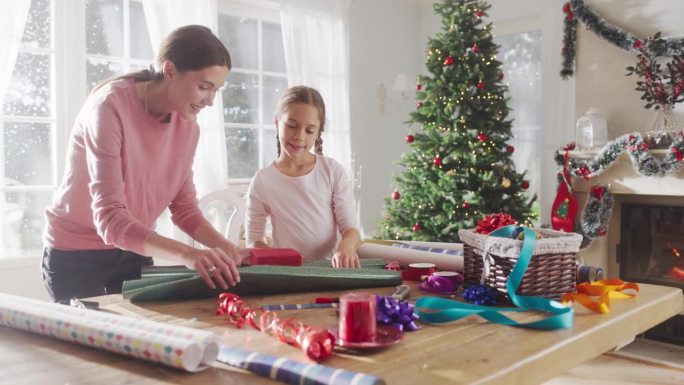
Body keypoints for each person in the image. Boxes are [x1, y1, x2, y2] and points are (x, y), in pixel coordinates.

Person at [42, 25, 248, 304]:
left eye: (216, 90)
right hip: (76, 256)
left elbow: (184, 208)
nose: (210, 101)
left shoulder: (187, 126)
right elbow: (111, 221)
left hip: (132, 252)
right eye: (204, 87)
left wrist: (228, 249)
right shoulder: (108, 108)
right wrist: (190, 255)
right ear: (171, 70)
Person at [245, 86, 361, 268]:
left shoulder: (332, 171)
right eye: (292, 126)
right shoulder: (263, 180)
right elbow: (253, 240)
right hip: (288, 272)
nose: (299, 136)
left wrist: (345, 246)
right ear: (276, 122)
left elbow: (350, 228)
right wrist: (275, 258)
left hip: (329, 268)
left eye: (309, 130)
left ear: (318, 132)